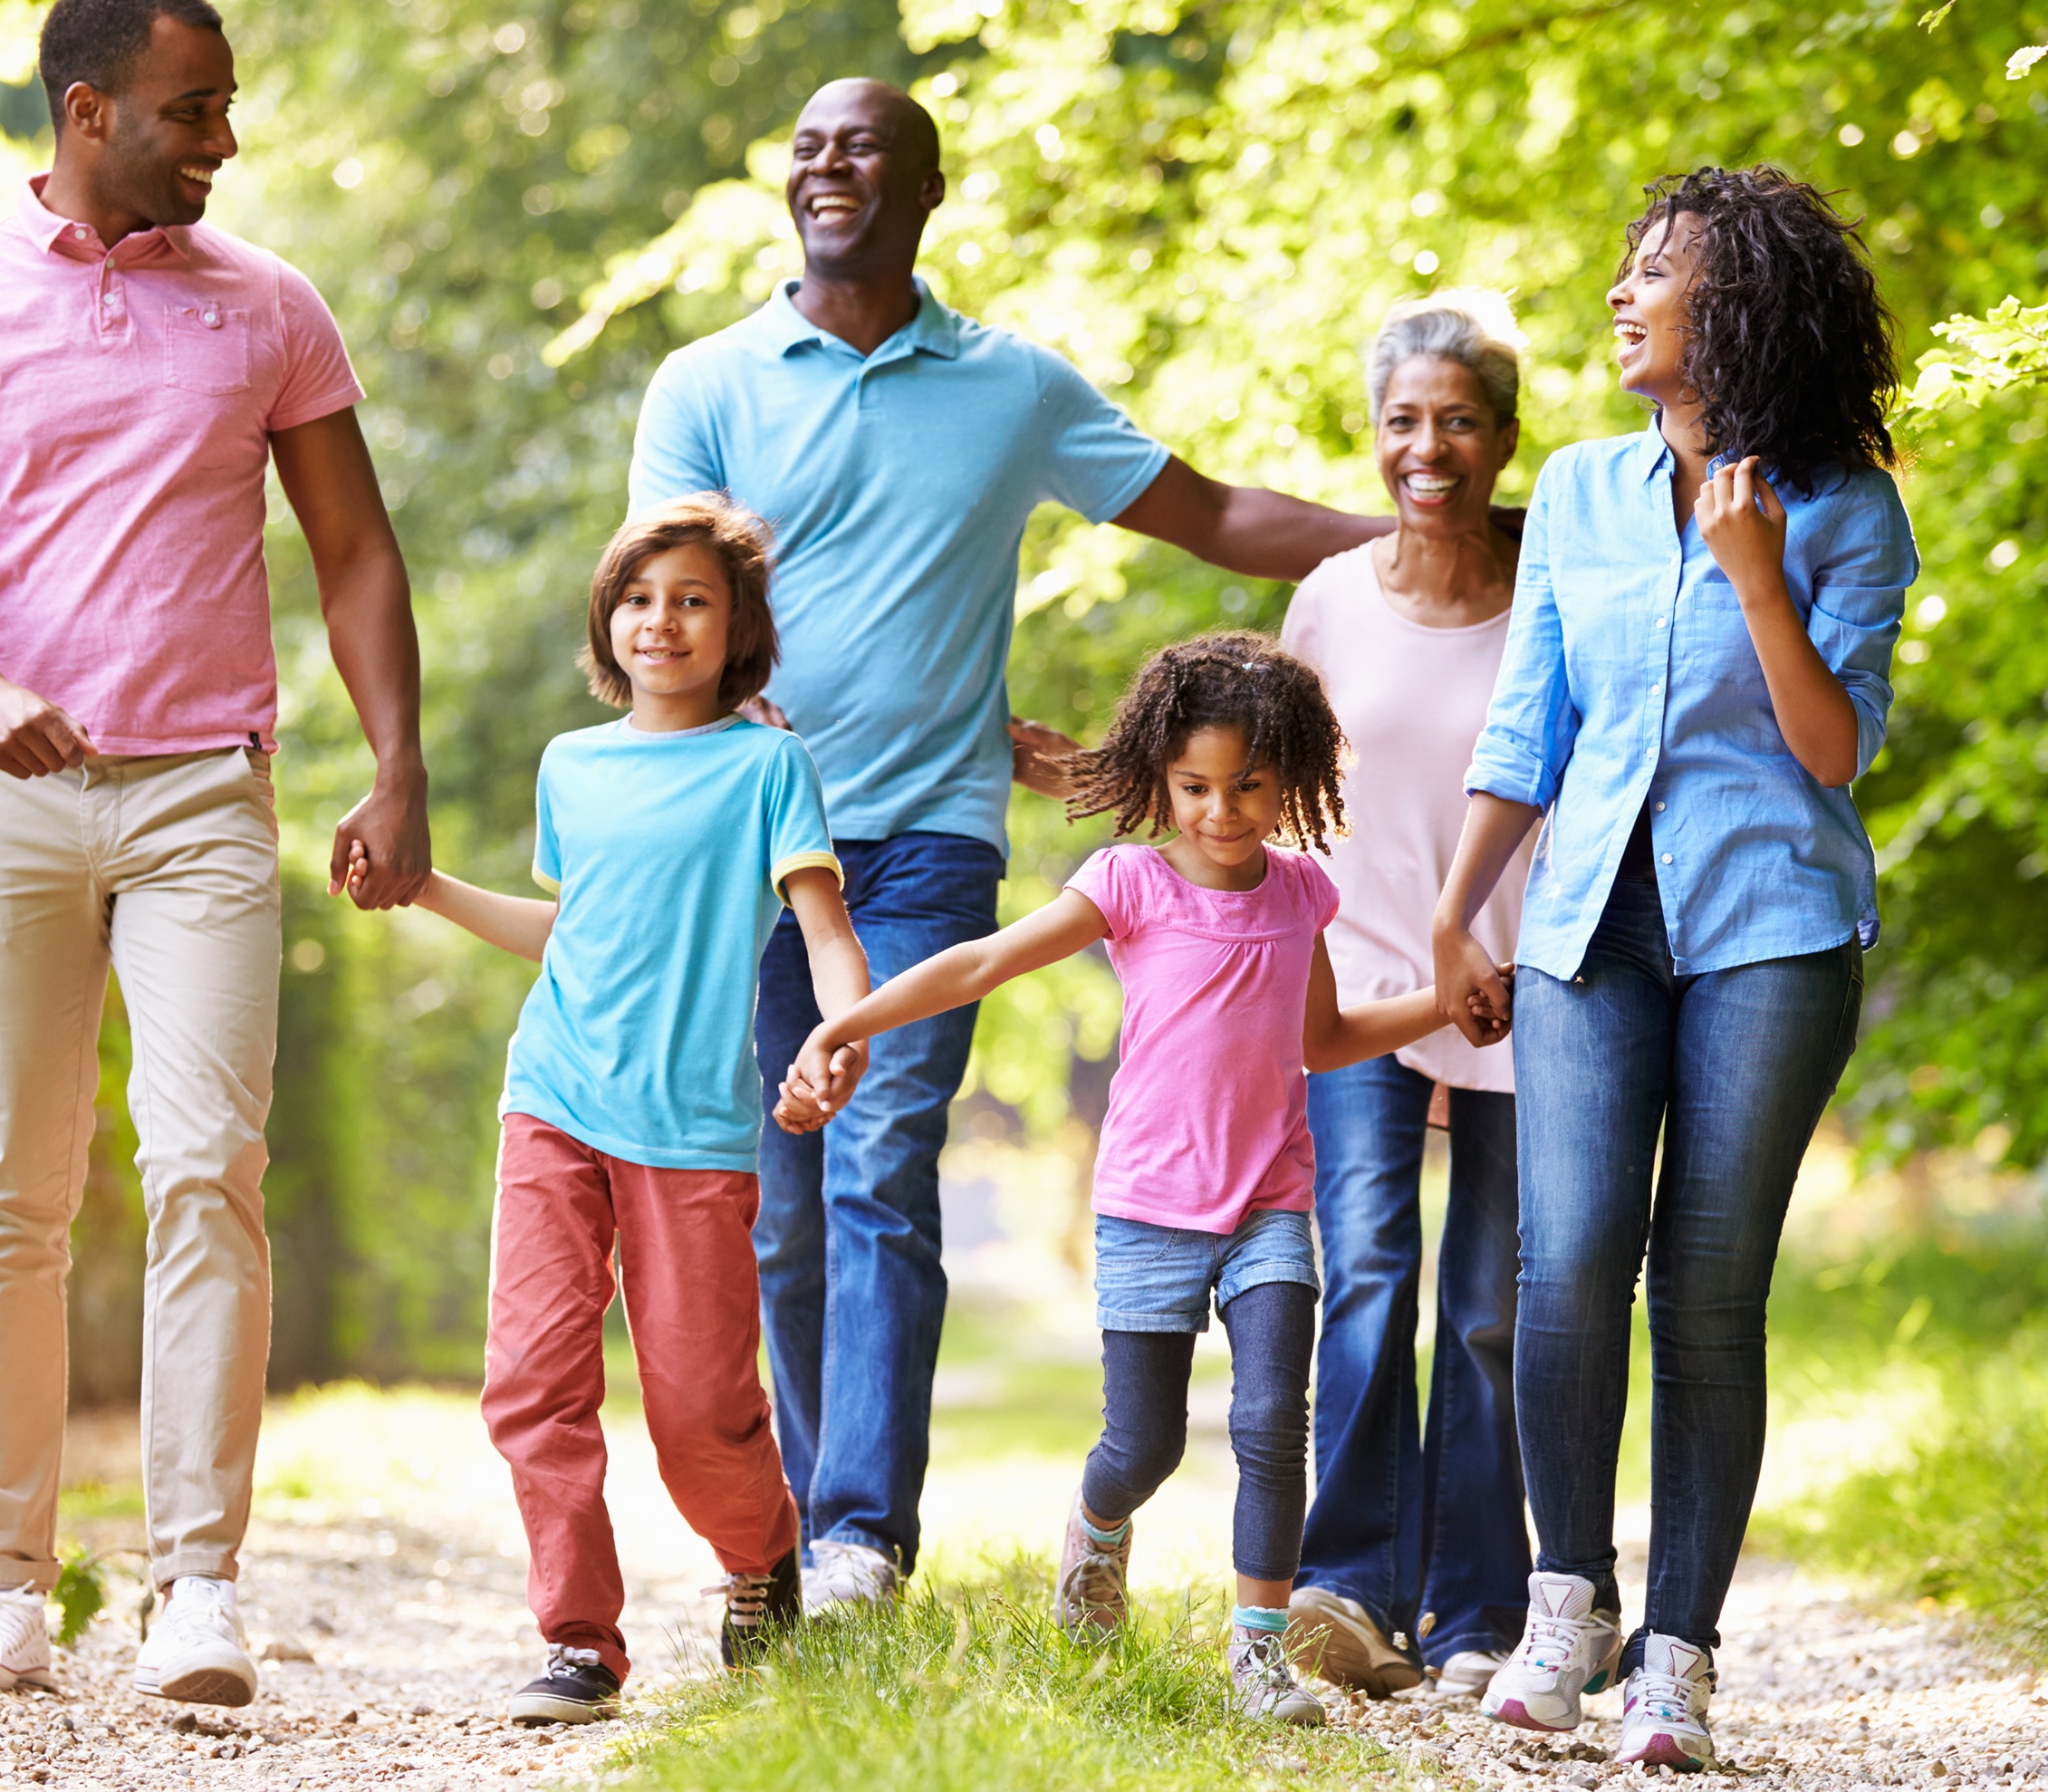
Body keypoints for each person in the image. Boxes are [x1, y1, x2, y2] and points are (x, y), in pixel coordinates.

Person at [630, 75, 1395, 1613]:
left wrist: (1421, 539)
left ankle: (860, 1534)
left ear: (924, 190)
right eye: (807, 147)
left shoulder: (1012, 388)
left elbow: (1214, 514)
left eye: (862, 148)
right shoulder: (707, 384)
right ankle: (782, 1527)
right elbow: (667, 608)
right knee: (780, 1195)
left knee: (881, 1151)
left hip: (921, 846)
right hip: (744, 853)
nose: (827, 166)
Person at [0, 0, 431, 1710]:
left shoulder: (270, 310)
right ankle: (8, 1588)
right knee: (15, 1187)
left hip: (199, 799)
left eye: (228, 106)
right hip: (5, 791)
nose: (223, 140)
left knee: (206, 1169)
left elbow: (356, 552)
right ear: (88, 110)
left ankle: (197, 1588)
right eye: (193, 110)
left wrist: (397, 766)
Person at [1430, 168, 1914, 1765]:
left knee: (1707, 1292)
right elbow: (1531, 721)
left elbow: (1833, 752)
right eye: (1625, 272)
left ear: (1744, 305)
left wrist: (1762, 574)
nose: (1622, 296)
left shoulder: (1847, 505)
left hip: (1771, 928)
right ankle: (1565, 1597)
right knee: (1563, 1257)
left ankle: (1678, 1659)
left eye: (1658, 273)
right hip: (1586, 928)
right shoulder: (1573, 490)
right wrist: (1457, 909)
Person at [774, 633, 1451, 1726]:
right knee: (1146, 1444)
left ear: (1291, 779)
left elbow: (1323, 1037)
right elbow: (985, 960)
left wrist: (1440, 1003)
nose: (1220, 810)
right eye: (1194, 786)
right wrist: (848, 1017)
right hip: (1149, 1208)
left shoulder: (1300, 896)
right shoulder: (1130, 882)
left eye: (1248, 786)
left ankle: (1258, 1654)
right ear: (1160, 778)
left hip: (1270, 1202)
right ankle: (1097, 1531)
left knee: (1276, 1416)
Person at [348, 496, 870, 1727]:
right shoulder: (569, 767)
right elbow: (570, 931)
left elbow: (824, 935)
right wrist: (423, 887)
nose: (661, 621)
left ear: (734, 626)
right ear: (606, 618)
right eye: (638, 598)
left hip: (688, 1132)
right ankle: (579, 1640)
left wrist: (837, 1037)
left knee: (698, 1411)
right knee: (531, 1381)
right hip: (554, 1099)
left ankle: (759, 1554)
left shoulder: (766, 764)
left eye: (691, 599)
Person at [1272, 291, 1534, 1704]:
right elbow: (1271, 792)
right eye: (1400, 421)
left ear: (1500, 438)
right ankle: (1350, 1587)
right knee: (1367, 1272)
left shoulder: (1549, 585)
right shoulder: (1327, 600)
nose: (1424, 447)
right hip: (1360, 983)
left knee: (1491, 1306)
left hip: (1513, 982)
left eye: (1454, 421)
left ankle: (1478, 1606)